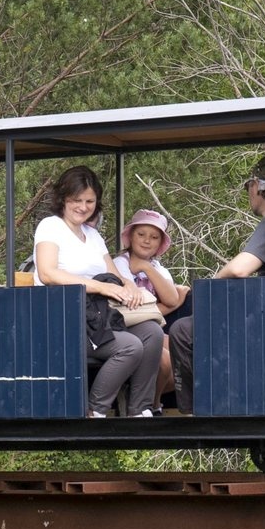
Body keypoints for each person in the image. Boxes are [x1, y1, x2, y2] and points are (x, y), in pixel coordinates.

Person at [33, 165, 163, 418]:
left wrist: (129, 285)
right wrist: (101, 286)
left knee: (152, 333)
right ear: (63, 198)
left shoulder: (92, 235)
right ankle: (95, 410)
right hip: (65, 319)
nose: (83, 207)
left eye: (89, 201)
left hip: (100, 316)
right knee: (130, 346)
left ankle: (140, 410)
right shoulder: (50, 227)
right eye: (77, 200)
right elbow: (48, 273)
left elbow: (114, 274)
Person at [166, 156, 265, 415]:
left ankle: (195, 409)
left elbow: (240, 269)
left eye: (249, 185)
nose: (249, 192)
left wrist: (212, 286)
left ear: (258, 187)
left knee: (183, 330)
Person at [115, 209, 190, 401]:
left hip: (151, 328)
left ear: (160, 243)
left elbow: (171, 298)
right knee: (164, 361)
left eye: (154, 237)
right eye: (141, 234)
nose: (147, 240)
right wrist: (169, 307)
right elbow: (132, 310)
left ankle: (152, 402)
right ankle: (150, 406)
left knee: (181, 355)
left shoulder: (157, 268)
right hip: (125, 328)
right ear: (130, 237)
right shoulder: (119, 265)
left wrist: (145, 267)